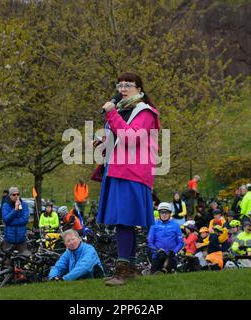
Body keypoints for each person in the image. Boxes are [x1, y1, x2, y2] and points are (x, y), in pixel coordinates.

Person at [96, 72, 160, 286]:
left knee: (124, 220)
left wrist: (112, 114)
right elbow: (119, 136)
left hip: (131, 172)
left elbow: (131, 139)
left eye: (128, 85)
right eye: (120, 85)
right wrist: (104, 141)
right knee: (123, 221)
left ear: (139, 89)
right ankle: (130, 268)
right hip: (117, 170)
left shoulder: (145, 112)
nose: (122, 89)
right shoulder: (123, 110)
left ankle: (123, 271)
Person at [147, 202, 184, 274]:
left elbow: (181, 242)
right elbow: (150, 241)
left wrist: (174, 252)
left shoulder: (176, 225)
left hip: (171, 257)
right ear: (159, 213)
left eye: (166, 212)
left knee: (172, 280)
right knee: (155, 279)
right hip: (157, 256)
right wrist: (158, 251)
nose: (164, 214)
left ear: (170, 213)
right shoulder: (154, 225)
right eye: (162, 212)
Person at [1, 187, 30, 255]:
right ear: (10, 196)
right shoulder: (6, 205)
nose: (16, 196)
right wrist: (15, 210)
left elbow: (25, 220)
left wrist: (11, 222)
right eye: (14, 195)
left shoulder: (24, 205)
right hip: (9, 240)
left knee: (24, 261)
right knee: (7, 263)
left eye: (18, 194)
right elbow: (6, 220)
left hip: (21, 239)